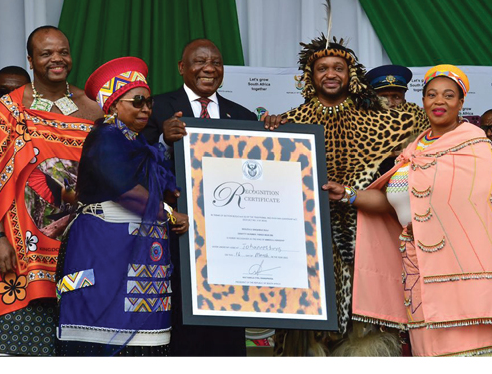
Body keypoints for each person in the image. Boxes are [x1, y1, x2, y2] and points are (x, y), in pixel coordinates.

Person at [264, 35, 429, 356]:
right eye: (322, 68)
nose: (330, 74)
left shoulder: (384, 120)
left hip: (366, 237)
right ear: (309, 75)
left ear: (350, 73)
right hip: (308, 242)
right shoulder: (291, 122)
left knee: (364, 331)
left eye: (338, 67)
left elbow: (428, 142)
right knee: (307, 333)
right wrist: (269, 129)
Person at [323, 65, 492, 357]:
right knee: (426, 350)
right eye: (431, 95)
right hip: (416, 267)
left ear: (461, 102)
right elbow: (393, 203)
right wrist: (349, 195)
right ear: (423, 101)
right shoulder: (414, 148)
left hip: (460, 271)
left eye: (448, 95)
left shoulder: (476, 149)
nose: (439, 101)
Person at [0, 25, 102, 356]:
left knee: (73, 348)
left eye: (63, 51)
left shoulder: (92, 108)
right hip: (18, 251)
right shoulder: (11, 107)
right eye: (46, 53)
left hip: (79, 247)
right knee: (12, 351)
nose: (57, 59)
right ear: (30, 60)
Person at [56, 57, 188, 356]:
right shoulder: (105, 138)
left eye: (149, 102)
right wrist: (170, 214)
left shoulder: (136, 142)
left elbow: (165, 184)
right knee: (100, 343)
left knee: (145, 340)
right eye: (137, 101)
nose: (146, 109)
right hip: (106, 250)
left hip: (136, 252)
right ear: (114, 105)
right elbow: (127, 192)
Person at [144, 38, 254, 357]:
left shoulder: (243, 115)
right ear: (182, 68)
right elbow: (133, 165)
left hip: (229, 242)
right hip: (173, 237)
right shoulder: (155, 109)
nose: (209, 68)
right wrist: (164, 141)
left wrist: (273, 132)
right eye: (199, 61)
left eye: (216, 62)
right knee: (181, 334)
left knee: (227, 334)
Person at [365, 65, 428, 175]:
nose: (391, 103)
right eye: (383, 97)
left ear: (404, 98)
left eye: (396, 97)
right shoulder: (364, 120)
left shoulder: (419, 116)